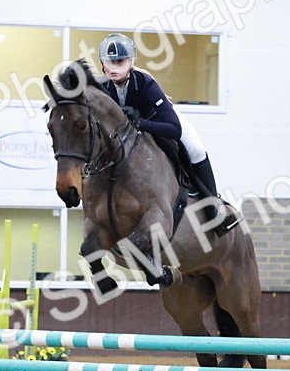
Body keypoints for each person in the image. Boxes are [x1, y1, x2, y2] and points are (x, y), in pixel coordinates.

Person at [96, 33, 239, 236]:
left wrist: (139, 123)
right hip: (127, 139)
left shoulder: (145, 83)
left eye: (120, 61)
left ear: (132, 61)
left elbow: (174, 128)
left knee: (196, 149)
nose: (114, 67)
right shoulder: (103, 88)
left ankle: (214, 207)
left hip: (160, 123)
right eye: (109, 62)